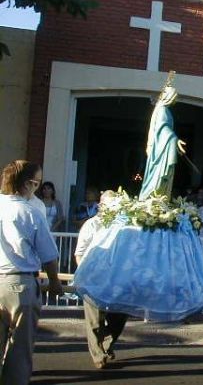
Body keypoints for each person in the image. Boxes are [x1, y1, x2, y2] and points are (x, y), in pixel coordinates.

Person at [1, 160, 63, 384]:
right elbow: (48, 255)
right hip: (20, 283)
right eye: (36, 184)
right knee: (19, 352)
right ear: (27, 184)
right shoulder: (29, 211)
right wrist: (55, 283)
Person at [74, 189, 129, 369]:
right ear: (101, 206)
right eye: (110, 205)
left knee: (119, 316)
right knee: (94, 320)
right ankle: (98, 356)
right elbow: (80, 253)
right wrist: (85, 274)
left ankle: (106, 344)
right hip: (93, 279)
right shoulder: (91, 225)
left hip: (116, 280)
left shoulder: (123, 226)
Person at [139, 71, 187, 200]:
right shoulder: (162, 109)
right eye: (173, 97)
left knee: (163, 180)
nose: (174, 100)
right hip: (160, 150)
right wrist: (175, 139)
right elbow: (162, 128)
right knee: (158, 176)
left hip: (163, 146)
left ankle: (160, 197)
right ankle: (154, 196)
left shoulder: (164, 109)